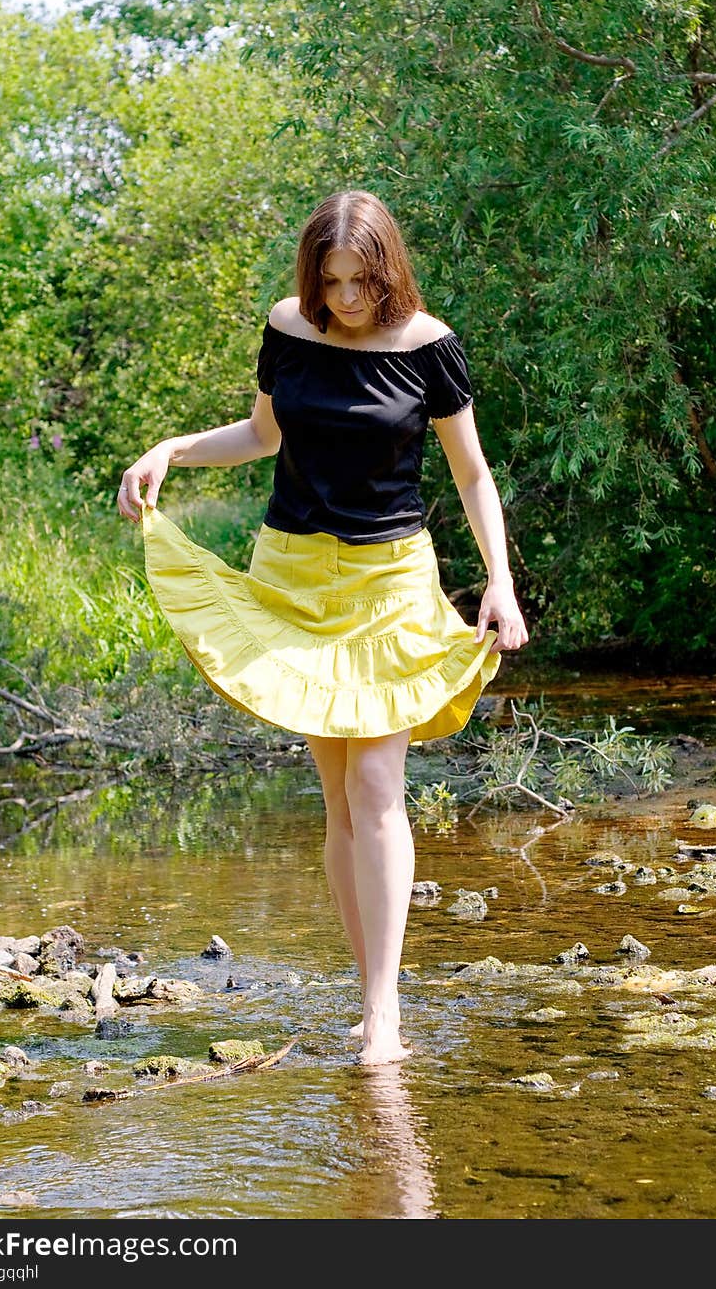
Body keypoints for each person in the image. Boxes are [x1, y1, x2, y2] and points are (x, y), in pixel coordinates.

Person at [117, 189, 529, 1065]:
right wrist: (173, 449)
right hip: (294, 580)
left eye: (358, 281)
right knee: (339, 796)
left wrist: (499, 581)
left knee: (378, 789)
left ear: (386, 270)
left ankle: (383, 1014)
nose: (343, 299)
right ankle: (366, 990)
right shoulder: (289, 328)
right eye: (329, 280)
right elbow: (263, 436)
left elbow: (472, 474)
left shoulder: (429, 349)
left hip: (390, 586)